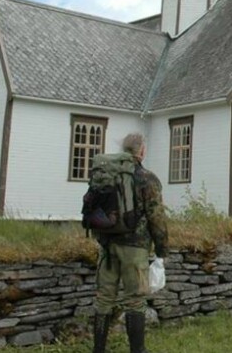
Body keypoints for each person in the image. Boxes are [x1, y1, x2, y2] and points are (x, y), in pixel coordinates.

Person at [93, 133, 168, 353]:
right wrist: (162, 249)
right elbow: (156, 217)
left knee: (104, 298)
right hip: (135, 246)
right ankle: (138, 350)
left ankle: (98, 349)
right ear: (141, 151)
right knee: (135, 299)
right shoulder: (147, 178)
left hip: (107, 245)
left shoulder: (107, 173)